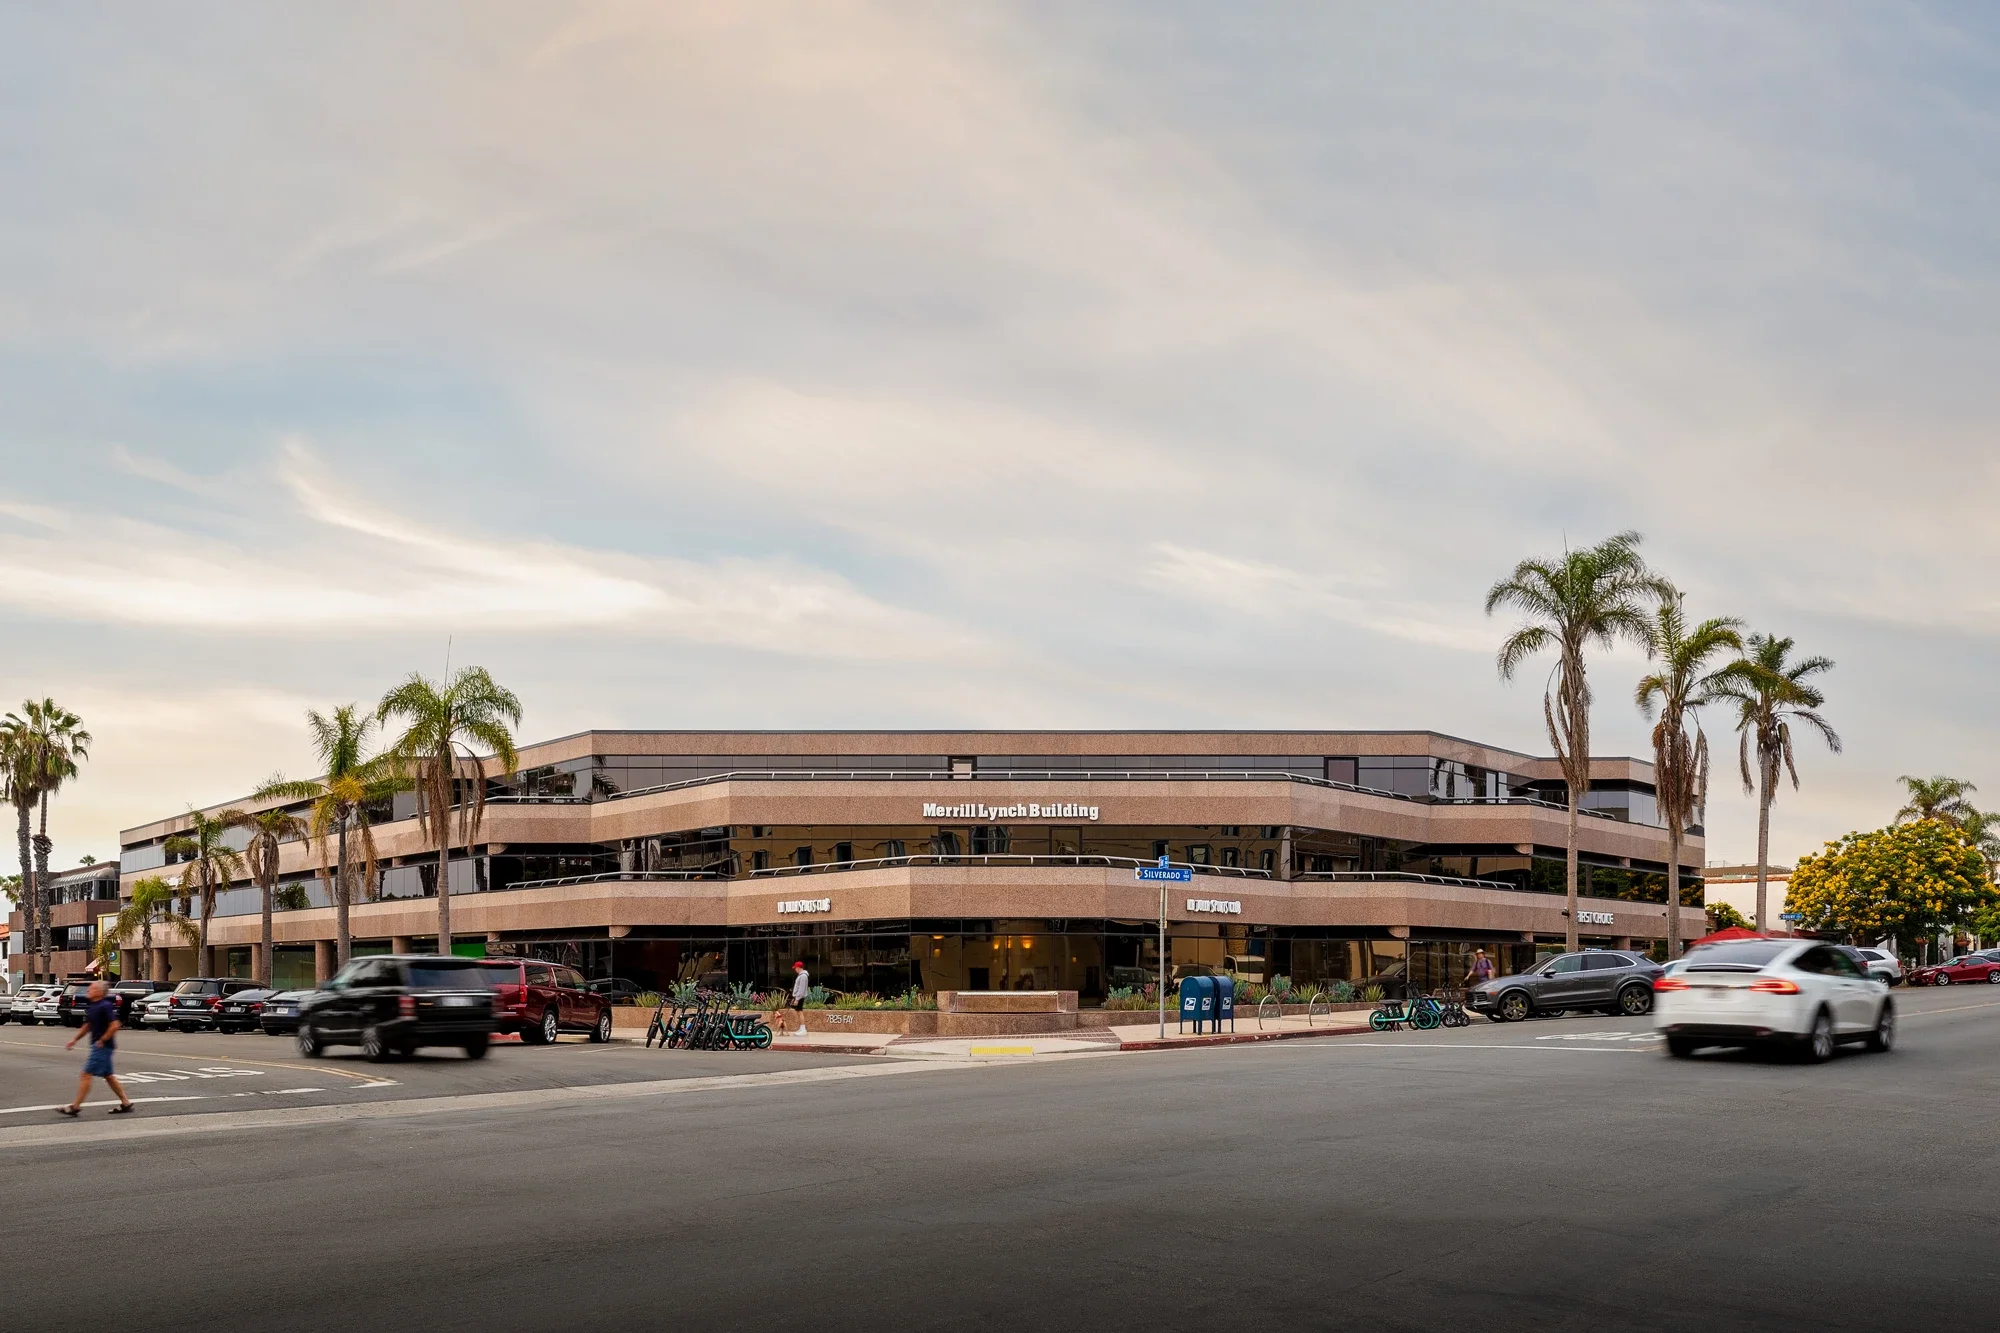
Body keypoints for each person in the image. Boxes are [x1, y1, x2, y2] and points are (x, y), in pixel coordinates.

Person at [59, 980, 134, 1117]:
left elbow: (115, 1025)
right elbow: (88, 1026)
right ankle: (125, 1103)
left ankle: (75, 1107)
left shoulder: (104, 1006)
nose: (88, 990)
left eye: (91, 988)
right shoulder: (93, 1006)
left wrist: (103, 1039)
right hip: (100, 1046)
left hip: (102, 1047)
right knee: (109, 1076)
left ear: (99, 992)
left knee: (86, 1074)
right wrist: (74, 1040)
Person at [789, 960, 810, 1037]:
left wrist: (797, 999)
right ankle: (801, 1028)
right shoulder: (802, 976)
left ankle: (803, 1029)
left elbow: (801, 989)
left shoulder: (803, 976)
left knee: (800, 1012)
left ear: (798, 967)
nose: (795, 969)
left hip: (800, 997)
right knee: (799, 1012)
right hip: (799, 996)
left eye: (795, 968)